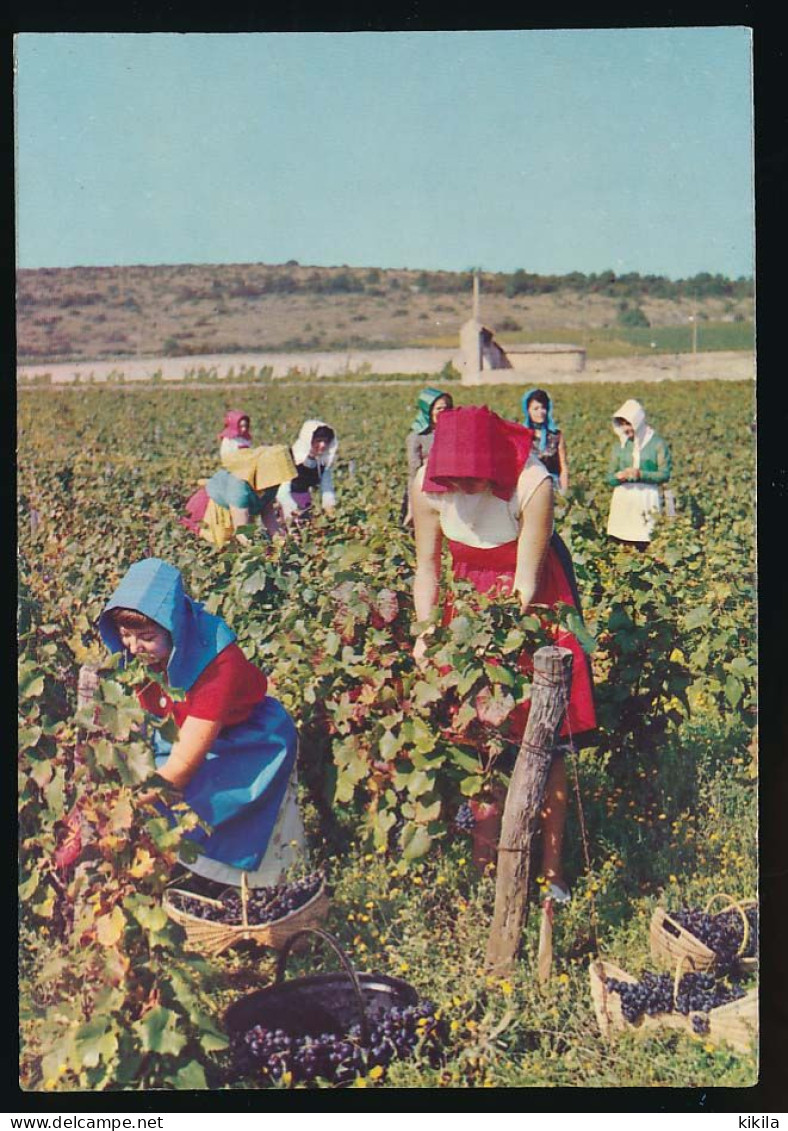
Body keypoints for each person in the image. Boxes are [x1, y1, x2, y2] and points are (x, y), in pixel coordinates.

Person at [410, 406, 596, 901]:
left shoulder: (533, 483)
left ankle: (551, 871)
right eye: (456, 480)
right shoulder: (427, 486)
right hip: (469, 607)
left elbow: (526, 583)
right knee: (480, 740)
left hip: (530, 609)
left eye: (475, 480)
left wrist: (494, 645)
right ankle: (485, 862)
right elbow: (427, 568)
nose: (465, 489)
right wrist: (428, 631)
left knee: (545, 743)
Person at [98, 558, 304, 891]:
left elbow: (181, 766)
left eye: (146, 636)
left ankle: (248, 890)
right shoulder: (144, 657)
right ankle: (191, 874)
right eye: (125, 635)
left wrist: (123, 807)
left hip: (249, 742)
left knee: (230, 811)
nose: (134, 647)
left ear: (174, 628)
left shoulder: (217, 665)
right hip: (190, 731)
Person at [180, 443, 296, 548]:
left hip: (237, 513)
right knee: (221, 545)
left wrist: (280, 541)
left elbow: (268, 514)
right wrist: (258, 551)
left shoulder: (271, 484)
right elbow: (241, 531)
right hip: (212, 511)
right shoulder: (240, 485)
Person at [606, 399, 671, 550]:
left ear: (638, 422)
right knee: (622, 542)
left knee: (645, 540)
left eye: (628, 424)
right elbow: (609, 477)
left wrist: (640, 474)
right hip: (623, 500)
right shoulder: (619, 446)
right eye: (622, 424)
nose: (625, 429)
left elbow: (664, 474)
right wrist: (618, 477)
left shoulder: (657, 444)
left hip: (646, 499)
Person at [402, 388, 454, 525]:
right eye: (439, 408)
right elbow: (413, 473)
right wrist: (411, 508)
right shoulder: (417, 437)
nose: (444, 412)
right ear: (428, 411)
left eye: (447, 408)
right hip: (428, 493)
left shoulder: (455, 433)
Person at [277, 421, 338, 525]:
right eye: (318, 441)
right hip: (284, 504)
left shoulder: (322, 463)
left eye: (325, 441)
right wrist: (293, 511)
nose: (322, 445)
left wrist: (330, 508)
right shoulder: (290, 458)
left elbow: (327, 490)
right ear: (308, 440)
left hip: (305, 503)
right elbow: (281, 492)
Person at [522, 388, 569, 493]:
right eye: (536, 408)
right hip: (530, 488)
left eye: (543, 408)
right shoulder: (522, 435)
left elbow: (563, 466)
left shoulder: (556, 435)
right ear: (528, 411)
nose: (541, 412)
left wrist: (564, 491)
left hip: (553, 487)